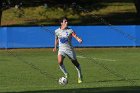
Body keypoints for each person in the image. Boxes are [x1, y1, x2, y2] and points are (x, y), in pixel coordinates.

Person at [53, 17, 83, 83]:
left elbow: (75, 36)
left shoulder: (70, 30)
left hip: (69, 50)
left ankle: (80, 75)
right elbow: (56, 39)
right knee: (60, 62)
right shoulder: (57, 31)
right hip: (61, 49)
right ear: (61, 23)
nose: (67, 22)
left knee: (75, 63)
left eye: (67, 21)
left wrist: (78, 39)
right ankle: (66, 73)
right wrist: (55, 47)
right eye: (65, 21)